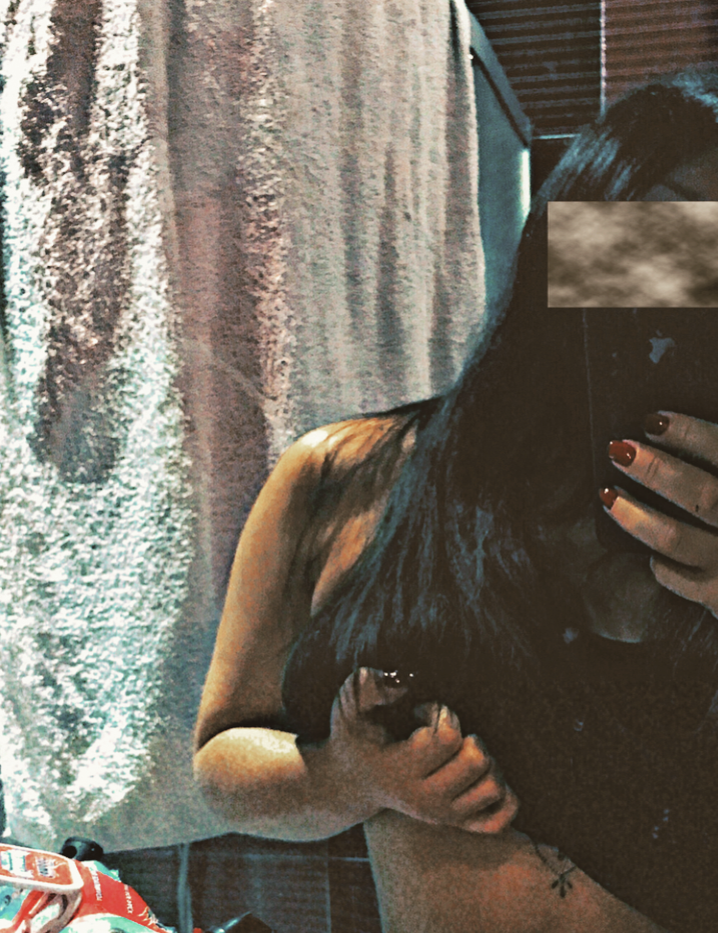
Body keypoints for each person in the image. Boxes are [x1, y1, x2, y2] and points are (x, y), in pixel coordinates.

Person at [194, 71, 718, 933]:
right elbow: (222, 759)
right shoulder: (345, 478)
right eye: (671, 236)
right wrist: (345, 778)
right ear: (567, 241)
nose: (694, 285)